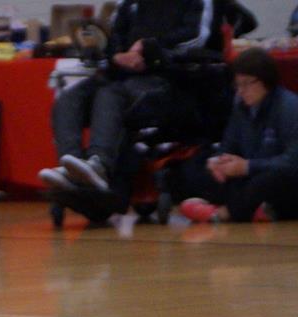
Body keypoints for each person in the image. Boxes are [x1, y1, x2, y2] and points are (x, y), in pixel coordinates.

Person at [38, 0, 213, 194]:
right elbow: (115, 35)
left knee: (110, 94)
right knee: (68, 98)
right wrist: (116, 55)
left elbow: (196, 37)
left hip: (166, 75)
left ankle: (100, 163)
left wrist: (149, 48)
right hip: (123, 72)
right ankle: (72, 165)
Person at [171, 47, 298, 222]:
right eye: (237, 84)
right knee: (197, 168)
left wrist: (248, 166)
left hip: (275, 176)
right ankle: (257, 210)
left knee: (269, 181)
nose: (240, 90)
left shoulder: (289, 108)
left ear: (266, 81)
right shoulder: (241, 106)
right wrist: (218, 162)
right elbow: (228, 144)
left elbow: (292, 161)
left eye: (246, 83)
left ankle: (223, 213)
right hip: (246, 175)